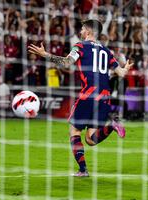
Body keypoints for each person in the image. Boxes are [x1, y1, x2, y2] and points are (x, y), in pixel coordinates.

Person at [28, 19, 133, 177]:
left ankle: (83, 170)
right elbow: (122, 73)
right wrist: (125, 68)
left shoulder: (80, 46)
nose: (81, 32)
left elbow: (66, 62)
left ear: (89, 32)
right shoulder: (107, 51)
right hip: (105, 97)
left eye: (83, 29)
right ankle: (112, 125)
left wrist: (44, 54)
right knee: (91, 139)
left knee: (74, 131)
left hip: (88, 95)